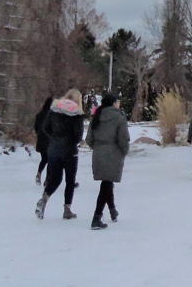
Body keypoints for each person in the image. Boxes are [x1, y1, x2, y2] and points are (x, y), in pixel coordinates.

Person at [35, 89, 85, 221]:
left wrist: (55, 138)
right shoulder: (77, 113)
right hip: (69, 150)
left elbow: (45, 127)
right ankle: (67, 210)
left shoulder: (54, 109)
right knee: (70, 180)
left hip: (53, 148)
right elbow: (78, 136)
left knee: (55, 178)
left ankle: (44, 198)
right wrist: (70, 142)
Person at [85, 92, 129, 230]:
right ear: (114, 103)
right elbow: (123, 139)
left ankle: (112, 211)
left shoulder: (96, 116)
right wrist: (123, 151)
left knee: (107, 181)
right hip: (114, 153)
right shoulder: (119, 117)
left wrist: (97, 148)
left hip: (98, 153)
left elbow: (89, 139)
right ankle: (96, 217)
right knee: (106, 184)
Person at [33, 96, 53, 185]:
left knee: (44, 159)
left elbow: (36, 128)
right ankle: (47, 179)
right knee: (50, 160)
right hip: (50, 140)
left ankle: (39, 173)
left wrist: (39, 135)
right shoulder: (52, 115)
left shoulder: (39, 115)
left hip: (41, 139)